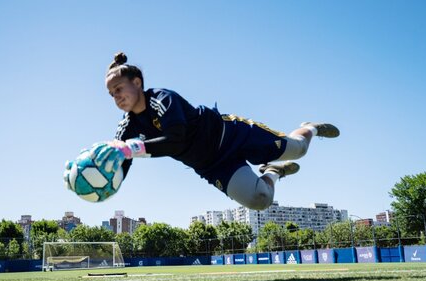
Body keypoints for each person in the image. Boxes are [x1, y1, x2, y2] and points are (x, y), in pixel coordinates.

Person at [67, 52, 339, 211]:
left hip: (231, 135)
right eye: (111, 94)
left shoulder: (162, 98)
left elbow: (176, 140)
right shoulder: (126, 127)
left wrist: (131, 148)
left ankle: (310, 127)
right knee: (261, 200)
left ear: (137, 82)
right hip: (211, 165)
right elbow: (120, 164)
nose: (116, 97)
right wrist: (94, 174)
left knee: (298, 149)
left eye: (119, 89)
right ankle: (273, 171)